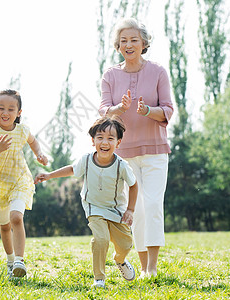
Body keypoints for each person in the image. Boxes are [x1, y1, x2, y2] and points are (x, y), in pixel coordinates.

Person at [99, 18, 174, 278]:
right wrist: (118, 109)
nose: (128, 45)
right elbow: (103, 109)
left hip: (155, 150)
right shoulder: (110, 74)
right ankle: (143, 267)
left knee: (153, 204)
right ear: (118, 46)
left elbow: (168, 110)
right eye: (123, 41)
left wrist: (147, 111)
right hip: (124, 154)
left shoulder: (158, 72)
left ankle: (151, 268)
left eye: (134, 40)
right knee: (137, 210)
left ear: (144, 43)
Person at [35, 117, 138, 288]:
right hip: (93, 206)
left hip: (116, 209)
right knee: (101, 239)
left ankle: (119, 260)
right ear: (93, 141)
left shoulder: (122, 165)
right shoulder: (87, 160)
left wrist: (130, 210)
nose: (105, 142)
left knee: (126, 244)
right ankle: (99, 279)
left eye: (110, 138)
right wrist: (49, 175)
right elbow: (72, 169)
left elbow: (134, 186)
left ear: (118, 143)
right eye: (100, 137)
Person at [0, 89, 48, 278]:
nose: (5, 113)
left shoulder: (23, 130)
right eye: (1, 108)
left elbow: (33, 142)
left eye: (11, 109)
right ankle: (10, 261)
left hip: (20, 180)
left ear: (19, 113)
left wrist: (39, 154)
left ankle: (19, 260)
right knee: (4, 226)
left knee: (16, 217)